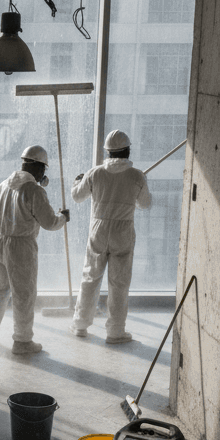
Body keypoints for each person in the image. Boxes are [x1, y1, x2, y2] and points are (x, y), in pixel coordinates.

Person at [0, 145, 70, 355]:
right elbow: (48, 222)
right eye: (43, 170)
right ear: (38, 168)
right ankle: (22, 341)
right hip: (21, 246)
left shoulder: (4, 185)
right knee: (23, 294)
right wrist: (63, 218)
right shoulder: (34, 190)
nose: (43, 175)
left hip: (0, 241)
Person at [70, 129, 152, 344]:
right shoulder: (136, 175)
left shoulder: (95, 173)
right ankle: (115, 331)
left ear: (107, 152)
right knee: (119, 282)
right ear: (127, 150)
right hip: (122, 231)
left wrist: (76, 182)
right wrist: (140, 188)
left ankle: (80, 325)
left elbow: (77, 197)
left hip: (99, 228)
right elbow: (145, 204)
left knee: (90, 277)